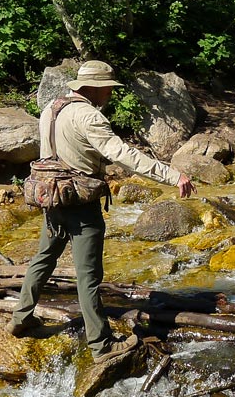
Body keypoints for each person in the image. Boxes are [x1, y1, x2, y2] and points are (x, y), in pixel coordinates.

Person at [12, 60, 196, 359]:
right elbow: (123, 155)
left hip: (49, 197)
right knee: (89, 275)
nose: (110, 93)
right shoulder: (89, 117)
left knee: (43, 259)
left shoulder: (51, 108)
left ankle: (21, 318)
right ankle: (101, 344)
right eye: (108, 88)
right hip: (80, 204)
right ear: (95, 88)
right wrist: (173, 175)